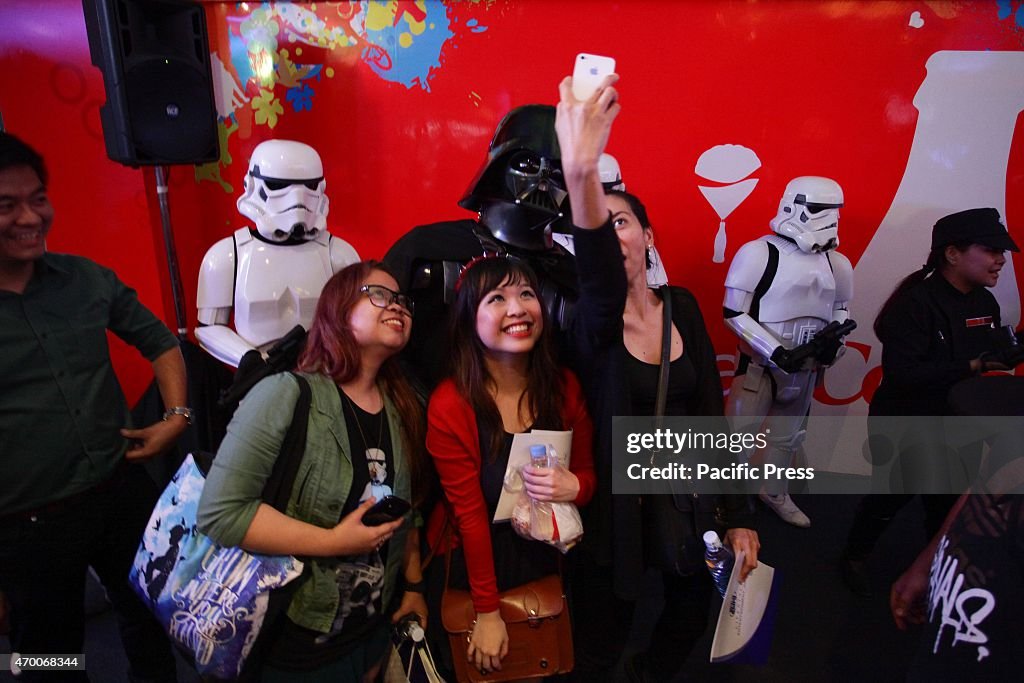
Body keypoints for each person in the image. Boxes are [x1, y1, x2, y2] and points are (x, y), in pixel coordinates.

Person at [554, 77, 760, 682]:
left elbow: (710, 419)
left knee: (690, 617)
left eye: (623, 222)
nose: (611, 234)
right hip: (612, 510)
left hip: (685, 494)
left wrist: (739, 510)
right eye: (598, 225)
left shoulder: (684, 308)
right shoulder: (587, 320)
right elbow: (596, 272)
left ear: (649, 237)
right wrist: (581, 168)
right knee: (600, 640)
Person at [0, 131, 185, 681]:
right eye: (6, 205)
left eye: (38, 198)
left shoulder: (84, 280)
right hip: (24, 524)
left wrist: (176, 419)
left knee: (155, 616)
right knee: (46, 655)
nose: (30, 217)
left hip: (119, 490)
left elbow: (162, 342)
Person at [198, 261, 428, 682]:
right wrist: (332, 541)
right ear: (338, 310)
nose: (396, 305)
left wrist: (413, 588)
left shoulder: (401, 408)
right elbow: (221, 513)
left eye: (401, 300)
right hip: (295, 646)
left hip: (367, 636)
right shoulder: (286, 393)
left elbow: (406, 514)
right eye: (378, 294)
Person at [425, 256, 596, 677]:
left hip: (543, 558)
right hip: (471, 565)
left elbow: (590, 477)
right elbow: (469, 516)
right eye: (496, 298)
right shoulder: (451, 404)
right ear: (470, 319)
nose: (517, 308)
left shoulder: (563, 387)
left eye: (525, 294)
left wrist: (574, 486)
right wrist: (487, 611)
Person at [840, 208, 1022, 597]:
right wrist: (975, 364)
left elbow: (985, 356)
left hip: (958, 425)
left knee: (946, 506)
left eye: (1001, 252)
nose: (1001, 260)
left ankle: (935, 574)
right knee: (889, 498)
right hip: (906, 421)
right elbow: (906, 375)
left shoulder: (984, 305)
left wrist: (1005, 352)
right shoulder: (915, 304)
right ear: (952, 254)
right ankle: (854, 555)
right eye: (990, 250)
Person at [383, 105, 579, 392]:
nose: (543, 181)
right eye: (528, 165)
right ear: (498, 168)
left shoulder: (571, 274)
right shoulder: (427, 248)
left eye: (557, 172)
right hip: (433, 414)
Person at [723, 176, 855, 528]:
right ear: (793, 205)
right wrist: (775, 351)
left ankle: (774, 491)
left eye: (834, 212)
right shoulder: (758, 253)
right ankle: (727, 502)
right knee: (738, 438)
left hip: (807, 367)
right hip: (760, 365)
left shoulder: (837, 264)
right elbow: (734, 312)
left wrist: (834, 347)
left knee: (788, 437)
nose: (828, 219)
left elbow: (841, 310)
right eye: (819, 210)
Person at [195, 139, 359, 368]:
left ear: (320, 188)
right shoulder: (227, 256)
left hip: (324, 375)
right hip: (258, 382)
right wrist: (249, 359)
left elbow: (359, 322)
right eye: (277, 185)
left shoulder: (340, 255)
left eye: (309, 186)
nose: (297, 199)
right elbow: (209, 328)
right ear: (252, 185)